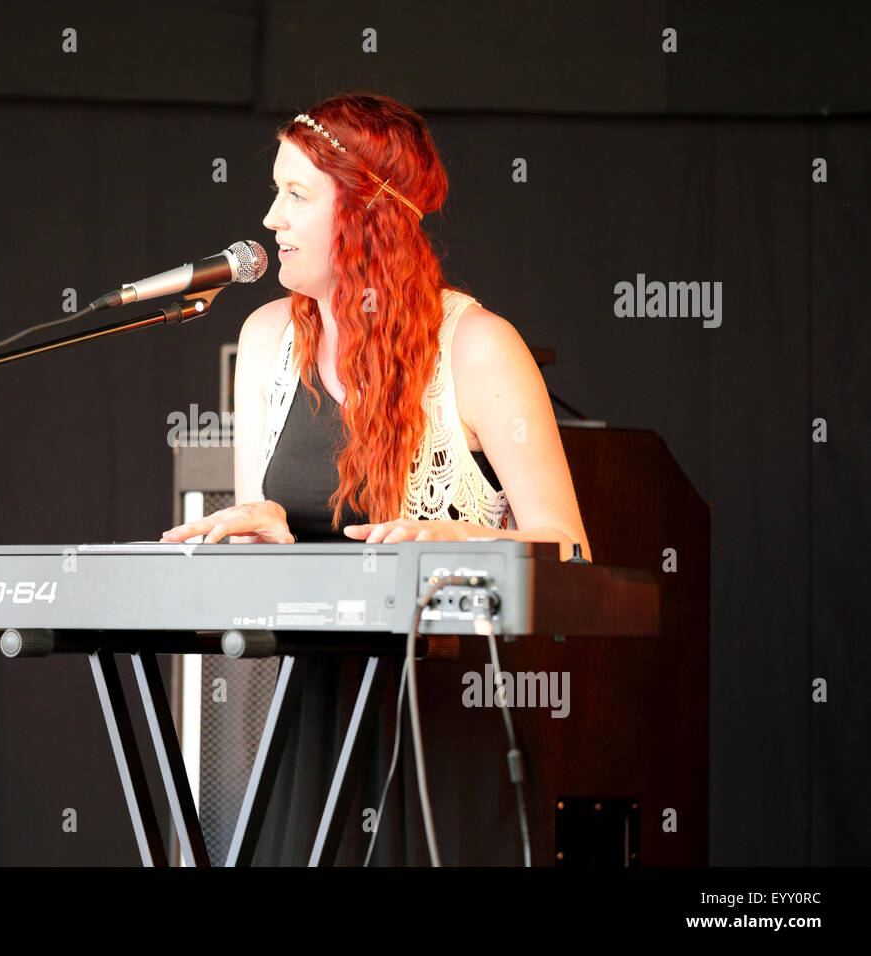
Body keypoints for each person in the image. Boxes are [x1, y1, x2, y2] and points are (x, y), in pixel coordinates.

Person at [160, 93, 591, 864]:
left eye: (296, 195)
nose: (269, 219)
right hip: (313, 727)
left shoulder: (479, 347)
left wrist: (464, 537)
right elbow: (271, 551)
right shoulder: (265, 340)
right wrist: (263, 537)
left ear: (366, 212)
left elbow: (572, 551)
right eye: (275, 191)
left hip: (446, 737)